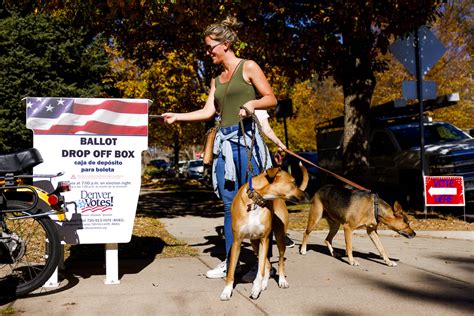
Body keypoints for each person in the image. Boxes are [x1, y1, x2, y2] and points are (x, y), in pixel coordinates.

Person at [162, 16, 277, 279]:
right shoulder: (216, 79)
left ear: (225, 44)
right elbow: (206, 111)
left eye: (209, 47)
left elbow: (270, 98)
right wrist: (177, 116)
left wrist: (252, 105)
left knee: (254, 203)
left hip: (246, 142)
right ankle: (231, 262)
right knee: (228, 205)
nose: (207, 52)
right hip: (224, 143)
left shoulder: (248, 67)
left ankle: (263, 265)